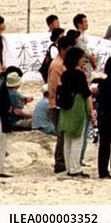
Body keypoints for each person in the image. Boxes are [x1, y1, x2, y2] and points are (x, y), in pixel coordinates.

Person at [57, 47, 97, 178]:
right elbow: (87, 94)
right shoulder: (79, 75)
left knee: (68, 139)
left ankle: (69, 167)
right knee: (77, 139)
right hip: (77, 107)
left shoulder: (65, 73)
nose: (83, 60)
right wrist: (91, 113)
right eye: (81, 58)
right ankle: (75, 168)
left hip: (66, 108)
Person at [47, 35, 74, 173]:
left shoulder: (63, 63)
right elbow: (56, 87)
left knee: (64, 133)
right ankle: (59, 163)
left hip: (61, 103)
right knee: (62, 134)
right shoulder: (57, 65)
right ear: (63, 49)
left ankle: (64, 161)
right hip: (57, 104)